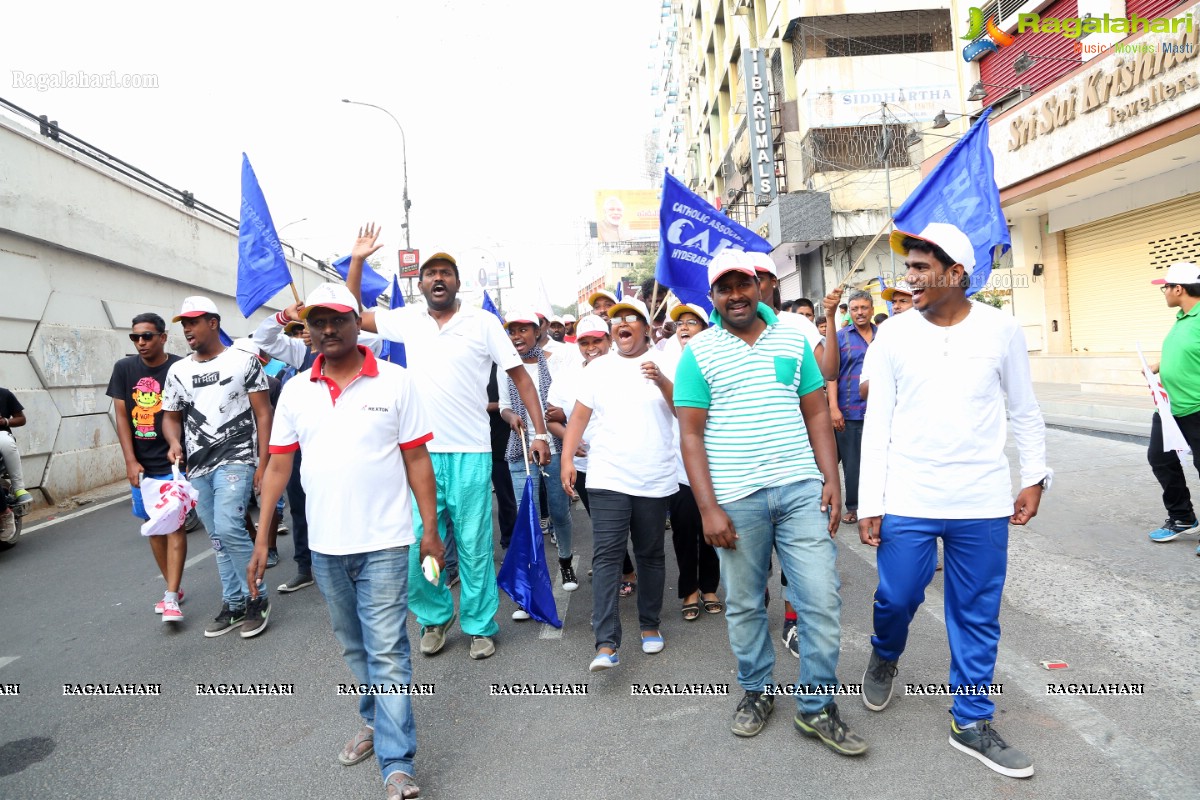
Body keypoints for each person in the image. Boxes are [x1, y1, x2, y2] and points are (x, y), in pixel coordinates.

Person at [857, 222, 1050, 779]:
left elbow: (1024, 409)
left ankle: (971, 720)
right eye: (909, 267)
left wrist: (1035, 477)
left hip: (982, 499)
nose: (909, 277)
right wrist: (871, 499)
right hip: (910, 496)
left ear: (956, 273)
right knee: (896, 596)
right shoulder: (894, 335)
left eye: (920, 268)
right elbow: (879, 422)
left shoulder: (1001, 329)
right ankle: (885, 652)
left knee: (976, 613)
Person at [248, 283, 440, 800]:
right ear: (306, 330)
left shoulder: (396, 383)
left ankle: (396, 764)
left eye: (338, 319)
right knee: (355, 648)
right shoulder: (295, 391)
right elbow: (279, 465)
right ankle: (374, 723)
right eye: (318, 322)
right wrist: (264, 538)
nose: (328, 330)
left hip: (384, 540)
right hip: (328, 547)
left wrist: (430, 532)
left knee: (388, 652)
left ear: (358, 323)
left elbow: (417, 460)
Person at [674, 250, 866, 755]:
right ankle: (757, 691)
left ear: (759, 287)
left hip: (801, 489)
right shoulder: (699, 352)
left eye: (743, 284)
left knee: (821, 598)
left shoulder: (793, 338)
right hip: (736, 499)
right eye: (724, 287)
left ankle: (817, 705)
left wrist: (832, 480)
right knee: (743, 603)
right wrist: (708, 508)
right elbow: (690, 436)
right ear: (712, 296)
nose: (735, 294)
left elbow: (817, 415)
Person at [347, 224, 550, 661]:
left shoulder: (483, 322)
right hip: (420, 454)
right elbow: (348, 315)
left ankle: (479, 624)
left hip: (472, 452)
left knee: (475, 545)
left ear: (458, 282)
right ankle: (435, 619)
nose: (438, 279)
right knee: (425, 541)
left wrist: (539, 431)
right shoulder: (407, 320)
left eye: (446, 272)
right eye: (429, 273)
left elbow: (520, 378)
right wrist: (359, 260)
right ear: (419, 284)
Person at [561, 297, 676, 672]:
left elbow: (683, 410)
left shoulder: (667, 360)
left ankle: (649, 624)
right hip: (607, 474)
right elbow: (579, 415)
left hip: (654, 475)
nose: (621, 323)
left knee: (650, 554)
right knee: (607, 554)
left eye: (630, 318)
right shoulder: (598, 369)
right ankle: (606, 642)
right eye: (616, 319)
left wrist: (660, 380)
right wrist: (567, 460)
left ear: (646, 327)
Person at [163, 296, 273, 638]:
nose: (187, 329)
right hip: (198, 467)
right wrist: (174, 442)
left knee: (228, 526)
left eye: (193, 322)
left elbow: (264, 413)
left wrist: (263, 462)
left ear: (213, 323)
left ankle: (258, 598)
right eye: (183, 323)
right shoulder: (178, 371)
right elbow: (170, 417)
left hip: (237, 456)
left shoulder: (244, 362)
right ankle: (234, 603)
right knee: (217, 538)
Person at [106, 312, 186, 622]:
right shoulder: (124, 369)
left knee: (175, 525)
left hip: (173, 462)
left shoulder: (179, 367)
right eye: (135, 337)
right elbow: (123, 417)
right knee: (154, 528)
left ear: (163, 337)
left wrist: (182, 452)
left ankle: (170, 596)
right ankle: (173, 587)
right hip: (142, 466)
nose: (140, 342)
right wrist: (129, 460)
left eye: (147, 336)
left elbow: (184, 413)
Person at [499, 310, 576, 593]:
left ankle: (565, 562)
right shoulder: (504, 365)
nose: (517, 336)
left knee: (558, 512)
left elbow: (569, 403)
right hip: (520, 450)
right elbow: (505, 404)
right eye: (512, 331)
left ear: (537, 331)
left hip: (554, 448)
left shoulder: (556, 364)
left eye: (523, 330)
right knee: (526, 516)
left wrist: (560, 414)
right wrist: (510, 417)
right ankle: (529, 579)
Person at [665, 303, 722, 621]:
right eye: (679, 324)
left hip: (717, 460)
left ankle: (709, 586)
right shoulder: (666, 360)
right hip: (680, 463)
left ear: (707, 327)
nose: (684, 328)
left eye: (692, 322)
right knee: (685, 530)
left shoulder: (719, 357)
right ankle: (688, 589)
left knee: (712, 529)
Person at [1147, 261, 1200, 546]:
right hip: (1169, 409)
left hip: (1197, 408)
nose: (1164, 292)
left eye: (1165, 287)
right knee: (1161, 459)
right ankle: (1182, 517)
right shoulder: (1182, 317)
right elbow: (1186, 354)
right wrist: (1157, 368)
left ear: (1178, 289)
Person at [822, 288, 877, 526]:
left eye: (864, 308)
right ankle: (854, 506)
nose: (860, 312)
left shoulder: (884, 335)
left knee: (877, 461)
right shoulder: (841, 337)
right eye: (855, 309)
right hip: (850, 410)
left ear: (872, 310)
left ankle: (878, 505)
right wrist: (833, 408)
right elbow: (831, 376)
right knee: (853, 463)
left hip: (879, 410)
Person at [0, 387, 32, 507]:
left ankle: (19, 488)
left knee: (7, 443)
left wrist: (5, 422)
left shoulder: (4, 394)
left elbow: (21, 419)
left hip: (1, 433)